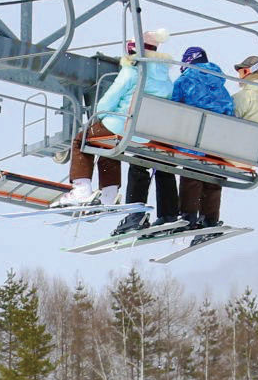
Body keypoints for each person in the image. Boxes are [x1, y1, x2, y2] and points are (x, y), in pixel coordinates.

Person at [68, 29, 180, 237]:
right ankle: (109, 193)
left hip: (122, 126)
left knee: (83, 139)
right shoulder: (166, 80)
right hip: (146, 133)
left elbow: (107, 101)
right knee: (108, 145)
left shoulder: (131, 71)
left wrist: (99, 112)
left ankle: (83, 188)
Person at [169, 47, 236, 251]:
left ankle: (188, 216)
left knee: (191, 177)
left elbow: (173, 107)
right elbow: (229, 109)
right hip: (216, 141)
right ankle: (210, 219)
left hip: (193, 138)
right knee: (212, 179)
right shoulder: (218, 82)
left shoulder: (185, 81)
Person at [231, 54, 258, 128]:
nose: (240, 77)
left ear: (252, 72)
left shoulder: (245, 96)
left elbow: (227, 117)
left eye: (243, 72)